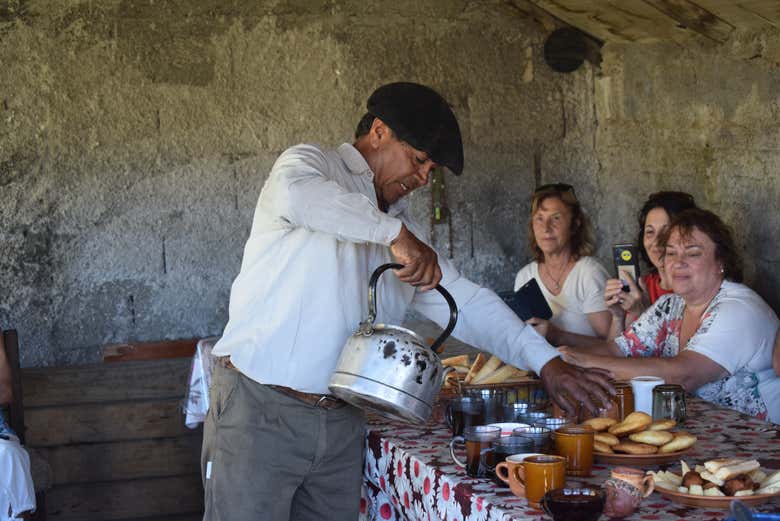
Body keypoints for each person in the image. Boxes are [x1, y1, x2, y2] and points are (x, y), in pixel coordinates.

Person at [201, 82, 614, 521]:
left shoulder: (402, 229)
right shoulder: (312, 166)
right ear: (379, 132)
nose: (423, 179)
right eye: (419, 161)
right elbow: (296, 196)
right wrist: (394, 236)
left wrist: (547, 362)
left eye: (430, 169)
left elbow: (468, 302)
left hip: (342, 422)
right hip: (260, 412)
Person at [561, 208, 780, 423]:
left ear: (721, 262)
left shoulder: (738, 309)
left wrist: (581, 362)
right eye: (671, 253)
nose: (678, 262)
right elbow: (617, 350)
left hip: (758, 440)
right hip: (700, 432)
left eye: (693, 253)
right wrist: (555, 357)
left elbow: (682, 375)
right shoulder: (670, 305)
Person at [515, 183, 611, 339]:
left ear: (574, 225)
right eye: (539, 218)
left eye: (556, 218)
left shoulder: (589, 274)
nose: (546, 228)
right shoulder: (524, 276)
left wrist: (557, 335)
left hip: (587, 363)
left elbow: (613, 347)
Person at [603, 191, 697, 339]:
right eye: (650, 232)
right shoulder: (642, 286)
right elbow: (613, 355)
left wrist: (646, 314)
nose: (656, 241)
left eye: (666, 231)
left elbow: (680, 357)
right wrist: (618, 317)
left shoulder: (695, 291)